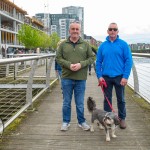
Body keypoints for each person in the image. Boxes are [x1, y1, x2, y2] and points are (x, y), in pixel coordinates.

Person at [56, 21, 95, 131]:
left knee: (80, 103)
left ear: (80, 31)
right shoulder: (63, 44)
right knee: (66, 102)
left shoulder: (86, 45)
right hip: (66, 78)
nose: (75, 31)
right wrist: (68, 65)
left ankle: (81, 121)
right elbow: (58, 58)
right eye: (73, 29)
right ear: (69, 31)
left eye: (77, 29)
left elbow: (92, 58)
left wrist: (80, 64)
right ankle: (66, 122)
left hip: (80, 79)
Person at [96, 22, 133, 129]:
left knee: (121, 99)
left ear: (117, 31)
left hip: (119, 77)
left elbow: (128, 61)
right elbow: (98, 62)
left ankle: (122, 118)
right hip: (106, 77)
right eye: (110, 29)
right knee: (107, 99)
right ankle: (107, 119)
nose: (112, 31)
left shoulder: (123, 44)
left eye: (115, 29)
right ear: (107, 31)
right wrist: (99, 76)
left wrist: (125, 76)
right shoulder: (103, 45)